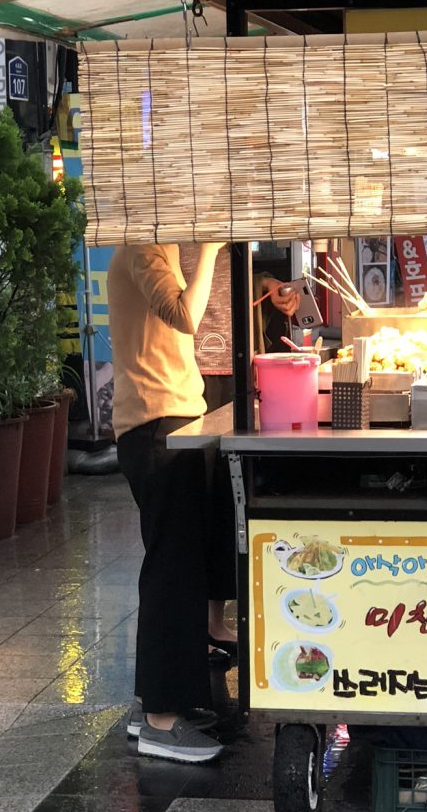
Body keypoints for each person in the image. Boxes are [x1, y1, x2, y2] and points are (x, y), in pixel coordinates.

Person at [108, 242, 298, 762]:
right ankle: (159, 722)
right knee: (171, 570)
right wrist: (215, 246)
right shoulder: (143, 248)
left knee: (180, 566)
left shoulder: (159, 248)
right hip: (153, 423)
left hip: (174, 416)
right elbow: (187, 316)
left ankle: (159, 702)